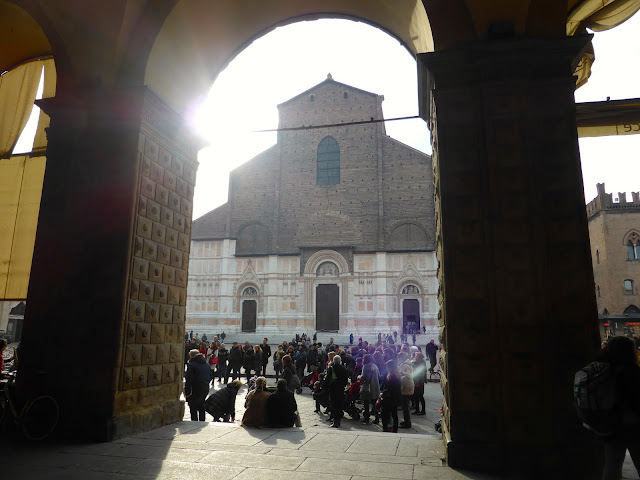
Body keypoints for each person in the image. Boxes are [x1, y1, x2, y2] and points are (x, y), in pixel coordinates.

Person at [593, 336, 640, 480]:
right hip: (634, 426)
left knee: (612, 467)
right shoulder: (633, 372)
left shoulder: (601, 372)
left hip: (609, 426)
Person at [184, 349, 211, 421]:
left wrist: (187, 392)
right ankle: (202, 422)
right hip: (205, 388)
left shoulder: (191, 365)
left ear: (191, 356)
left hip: (195, 389)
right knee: (201, 406)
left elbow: (189, 379)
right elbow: (210, 376)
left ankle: (194, 423)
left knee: (193, 407)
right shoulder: (206, 364)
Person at [326, 354, 348, 428]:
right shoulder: (343, 369)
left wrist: (326, 387)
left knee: (334, 405)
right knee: (339, 405)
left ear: (334, 361)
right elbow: (346, 379)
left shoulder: (331, 369)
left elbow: (327, 380)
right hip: (341, 389)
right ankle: (338, 421)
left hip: (333, 389)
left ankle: (335, 422)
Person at [381, 359, 401, 433]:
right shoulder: (397, 374)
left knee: (384, 414)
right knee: (394, 414)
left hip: (389, 398)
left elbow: (389, 388)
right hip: (395, 398)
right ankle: (395, 429)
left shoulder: (391, 376)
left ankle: (385, 428)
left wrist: (382, 393)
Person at [360, 353, 380, 424]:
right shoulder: (375, 366)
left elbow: (364, 377)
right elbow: (379, 376)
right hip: (375, 387)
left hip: (367, 387)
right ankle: (377, 418)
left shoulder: (365, 367)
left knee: (366, 404)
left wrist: (358, 378)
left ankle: (366, 418)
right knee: (375, 404)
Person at [399, 363, 414, 428]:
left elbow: (401, 387)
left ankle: (407, 422)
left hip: (404, 393)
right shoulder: (410, 376)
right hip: (409, 393)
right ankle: (407, 421)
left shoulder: (404, 378)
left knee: (405, 409)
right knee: (406, 408)